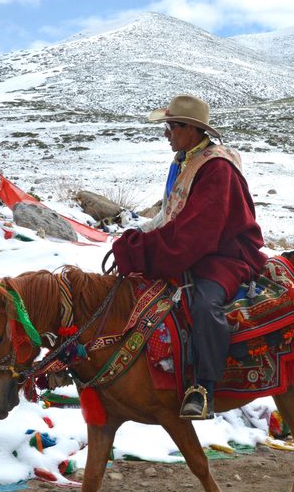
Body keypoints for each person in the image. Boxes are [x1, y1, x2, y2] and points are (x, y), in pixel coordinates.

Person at [112, 94, 267, 419]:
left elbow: (196, 233)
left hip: (223, 255)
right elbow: (171, 215)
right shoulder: (184, 161)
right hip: (196, 249)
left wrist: (143, 250)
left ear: (193, 130)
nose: (167, 133)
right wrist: (137, 239)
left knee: (204, 304)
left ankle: (204, 387)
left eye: (172, 127)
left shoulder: (217, 168)